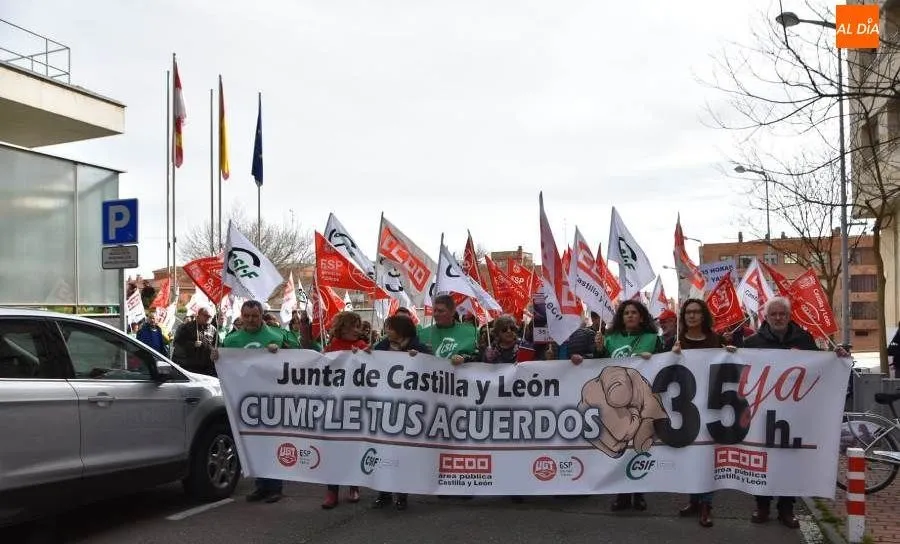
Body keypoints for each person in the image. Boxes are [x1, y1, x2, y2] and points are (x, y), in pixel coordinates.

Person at [743, 296, 848, 528]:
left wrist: (836, 357)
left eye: (783, 314)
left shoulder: (804, 338)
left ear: (789, 316)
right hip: (764, 412)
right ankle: (762, 505)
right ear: (766, 317)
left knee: (790, 459)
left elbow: (819, 367)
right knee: (764, 457)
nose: (778, 318)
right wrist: (731, 351)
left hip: (794, 412)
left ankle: (786, 508)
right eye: (774, 314)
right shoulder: (752, 342)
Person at [215, 300, 299, 504]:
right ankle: (261, 486)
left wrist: (282, 350)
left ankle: (275, 487)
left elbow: (299, 354)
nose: (250, 320)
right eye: (247, 316)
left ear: (261, 316)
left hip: (273, 399)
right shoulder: (231, 340)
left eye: (254, 316)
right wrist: (216, 357)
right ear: (241, 316)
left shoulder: (278, 336)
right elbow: (226, 368)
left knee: (272, 442)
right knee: (253, 442)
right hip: (246, 401)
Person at [670, 299, 736, 528]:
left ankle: (707, 504)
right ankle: (694, 500)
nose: (692, 316)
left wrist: (729, 352)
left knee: (707, 455)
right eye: (688, 312)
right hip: (685, 409)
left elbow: (726, 366)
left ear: (703, 315)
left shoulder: (715, 340)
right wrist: (671, 355)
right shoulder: (675, 340)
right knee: (691, 455)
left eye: (697, 312)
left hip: (710, 405)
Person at [594, 300, 662, 512]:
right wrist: (598, 350)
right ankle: (622, 494)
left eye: (634, 312)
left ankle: (639, 493)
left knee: (641, 446)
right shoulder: (610, 339)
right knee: (621, 445)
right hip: (616, 402)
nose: (630, 316)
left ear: (641, 317)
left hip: (643, 400)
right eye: (626, 313)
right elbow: (598, 366)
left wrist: (656, 357)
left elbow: (665, 362)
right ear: (621, 318)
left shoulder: (653, 339)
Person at [370, 314, 431, 511]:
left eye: (390, 327)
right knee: (383, 450)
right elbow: (367, 361)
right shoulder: (381, 347)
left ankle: (402, 494)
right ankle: (384, 493)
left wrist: (420, 359)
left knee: (403, 452)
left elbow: (433, 368)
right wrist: (360, 354)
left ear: (402, 330)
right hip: (384, 406)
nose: (387, 331)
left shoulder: (419, 348)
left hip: (409, 409)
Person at [321, 311, 369, 509]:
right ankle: (332, 491)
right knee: (333, 449)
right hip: (334, 406)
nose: (358, 330)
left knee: (353, 447)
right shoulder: (331, 347)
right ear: (343, 327)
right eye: (354, 326)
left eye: (359, 326)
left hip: (356, 406)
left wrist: (365, 356)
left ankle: (353, 485)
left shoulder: (362, 346)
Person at [419, 295, 478, 365]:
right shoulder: (423, 333)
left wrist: (464, 358)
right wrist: (417, 353)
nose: (436, 314)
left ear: (452, 312)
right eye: (434, 311)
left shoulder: (471, 331)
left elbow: (479, 355)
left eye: (441, 311)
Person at [171, 307, 218, 376]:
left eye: (210, 317)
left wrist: (213, 350)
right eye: (206, 315)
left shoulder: (213, 330)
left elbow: (216, 345)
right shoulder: (186, 327)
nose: (208, 318)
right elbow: (177, 343)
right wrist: (193, 344)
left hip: (206, 367)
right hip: (189, 367)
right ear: (198, 315)